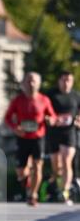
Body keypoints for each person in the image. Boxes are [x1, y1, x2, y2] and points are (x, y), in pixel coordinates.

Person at [3, 72, 56, 206]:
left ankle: (33, 194)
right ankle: (26, 181)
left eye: (34, 81)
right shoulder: (18, 100)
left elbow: (53, 117)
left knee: (38, 166)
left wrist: (50, 120)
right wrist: (15, 128)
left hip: (38, 137)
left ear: (39, 84)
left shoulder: (44, 100)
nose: (31, 84)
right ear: (24, 83)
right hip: (22, 137)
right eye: (28, 81)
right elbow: (8, 117)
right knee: (21, 171)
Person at [45, 71, 80, 205]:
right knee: (57, 166)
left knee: (67, 161)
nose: (66, 83)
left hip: (69, 132)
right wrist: (49, 119)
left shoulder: (76, 95)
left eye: (69, 80)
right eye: (64, 80)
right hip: (54, 133)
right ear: (59, 81)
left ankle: (65, 192)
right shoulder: (51, 95)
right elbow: (44, 112)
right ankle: (55, 186)